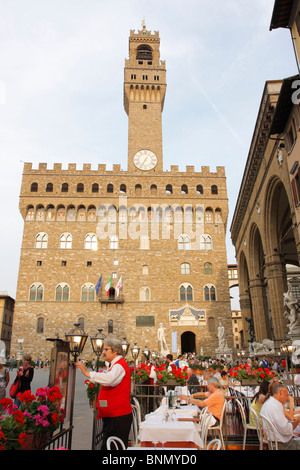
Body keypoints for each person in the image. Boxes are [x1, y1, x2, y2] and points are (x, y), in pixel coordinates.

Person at [76, 337, 132, 449]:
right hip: (114, 416)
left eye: (106, 349)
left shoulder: (119, 365)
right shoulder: (116, 365)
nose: (103, 352)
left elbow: (110, 379)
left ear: (115, 351)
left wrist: (88, 373)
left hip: (117, 417)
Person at [260, 382, 300, 450]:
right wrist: (298, 420)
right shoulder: (274, 407)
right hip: (281, 445)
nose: (287, 398)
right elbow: (286, 430)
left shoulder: (270, 403)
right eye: (287, 395)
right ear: (280, 392)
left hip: (275, 442)